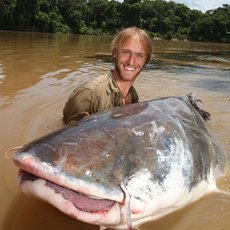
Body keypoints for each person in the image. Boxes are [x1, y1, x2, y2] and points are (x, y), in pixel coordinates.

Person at [63, 27, 152, 124]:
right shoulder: (90, 94)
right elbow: (66, 136)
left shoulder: (133, 95)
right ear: (115, 53)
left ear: (146, 61)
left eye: (139, 55)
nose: (131, 61)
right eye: (126, 52)